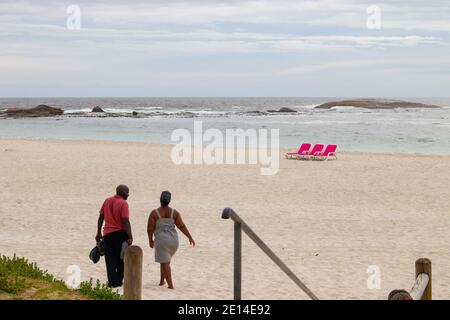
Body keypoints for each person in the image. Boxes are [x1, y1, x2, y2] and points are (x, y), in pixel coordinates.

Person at [147, 191, 195, 289]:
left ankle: (170, 286)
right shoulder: (175, 213)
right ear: (169, 201)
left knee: (164, 262)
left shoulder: (154, 213)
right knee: (164, 260)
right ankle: (161, 281)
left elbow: (150, 229)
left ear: (160, 200)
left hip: (161, 241)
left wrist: (150, 240)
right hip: (174, 241)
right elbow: (181, 226)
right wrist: (189, 237)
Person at [95, 185, 133, 288]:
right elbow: (125, 221)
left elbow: (101, 217)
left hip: (107, 234)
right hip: (119, 234)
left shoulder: (107, 200)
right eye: (127, 192)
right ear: (123, 192)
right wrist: (130, 236)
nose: (128, 194)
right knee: (120, 258)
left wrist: (98, 232)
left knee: (109, 260)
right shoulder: (123, 203)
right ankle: (119, 281)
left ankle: (112, 283)